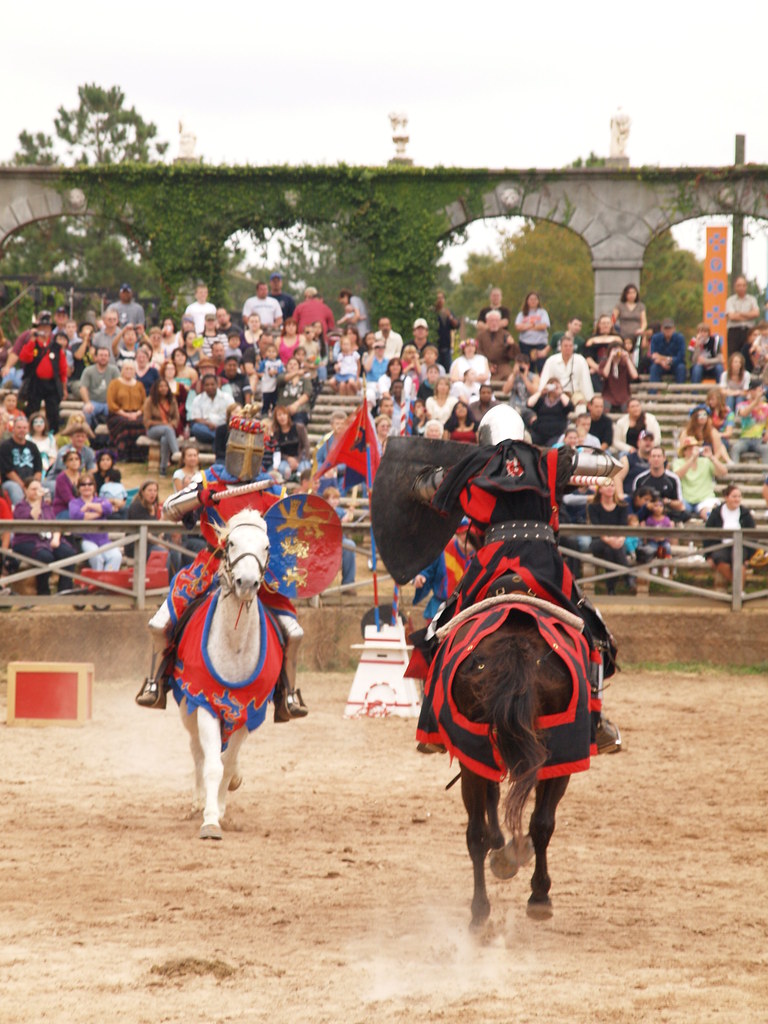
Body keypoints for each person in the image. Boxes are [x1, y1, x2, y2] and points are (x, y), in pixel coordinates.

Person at [408, 404, 622, 754]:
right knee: (592, 630)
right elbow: (608, 465)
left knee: (441, 628)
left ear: (484, 439)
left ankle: (432, 717)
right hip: (543, 564)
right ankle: (596, 722)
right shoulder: (546, 460)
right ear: (521, 432)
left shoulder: (470, 468)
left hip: (492, 563)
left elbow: (426, 488)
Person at [136, 415, 307, 722]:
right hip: (211, 564)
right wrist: (197, 498)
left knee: (293, 632)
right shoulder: (208, 479)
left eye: (254, 453)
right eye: (242, 451)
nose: (246, 459)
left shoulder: (271, 489)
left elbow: (288, 532)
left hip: (258, 571)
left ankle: (287, 693)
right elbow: (168, 510)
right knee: (160, 623)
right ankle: (156, 681)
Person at [12, 478, 77, 595]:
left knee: (68, 554)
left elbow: (55, 525)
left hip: (48, 540)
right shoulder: (20, 507)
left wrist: (56, 538)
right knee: (45, 557)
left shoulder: (47, 507)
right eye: (33, 489)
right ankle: (43, 592)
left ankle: (65, 591)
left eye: (39, 489)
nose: (37, 492)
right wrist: (38, 501)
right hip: (27, 541)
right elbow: (33, 517)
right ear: (25, 490)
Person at [704, 484, 757, 589]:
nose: (737, 499)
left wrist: (750, 556)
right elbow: (708, 533)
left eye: (739, 496)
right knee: (720, 559)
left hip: (741, 546)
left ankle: (738, 592)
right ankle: (736, 587)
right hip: (720, 545)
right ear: (726, 497)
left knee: (740, 560)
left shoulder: (745, 513)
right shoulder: (716, 513)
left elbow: (753, 536)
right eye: (734, 496)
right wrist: (708, 555)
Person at [587, 482, 636, 595]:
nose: (610, 488)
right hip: (598, 541)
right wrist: (610, 540)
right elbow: (597, 528)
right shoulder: (593, 507)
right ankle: (628, 576)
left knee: (611, 550)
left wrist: (620, 539)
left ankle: (611, 588)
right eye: (607, 485)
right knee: (612, 548)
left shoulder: (622, 506)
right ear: (600, 489)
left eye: (613, 485)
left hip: (617, 542)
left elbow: (623, 527)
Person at [19, 325, 68, 433]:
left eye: (47, 328)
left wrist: (64, 388)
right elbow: (24, 357)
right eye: (42, 328)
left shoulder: (56, 347)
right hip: (35, 382)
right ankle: (30, 432)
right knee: (32, 409)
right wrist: (32, 340)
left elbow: (63, 369)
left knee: (53, 411)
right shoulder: (33, 344)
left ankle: (52, 433)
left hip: (51, 383)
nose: (44, 331)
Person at [68, 473, 120, 571]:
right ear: (78, 488)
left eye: (90, 484)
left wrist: (88, 506)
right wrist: (100, 513)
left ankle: (107, 581)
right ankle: (98, 582)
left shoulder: (101, 500)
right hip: (85, 539)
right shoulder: (74, 502)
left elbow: (108, 509)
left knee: (116, 556)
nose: (87, 487)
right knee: (97, 557)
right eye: (83, 484)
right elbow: (77, 516)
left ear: (94, 487)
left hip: (104, 540)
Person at [672, 435, 727, 519]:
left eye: (695, 447)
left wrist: (711, 457)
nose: (693, 450)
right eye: (689, 448)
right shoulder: (678, 462)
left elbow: (723, 472)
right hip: (686, 499)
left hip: (705, 498)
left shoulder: (705, 461)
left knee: (709, 514)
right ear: (684, 451)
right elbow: (677, 476)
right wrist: (692, 459)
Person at [106, 360, 147, 461]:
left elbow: (144, 403)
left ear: (135, 371)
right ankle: (122, 453)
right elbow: (111, 403)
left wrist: (137, 413)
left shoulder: (139, 385)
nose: (129, 371)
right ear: (122, 370)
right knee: (126, 423)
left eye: (131, 369)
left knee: (142, 423)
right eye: (126, 369)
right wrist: (125, 414)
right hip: (118, 414)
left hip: (137, 414)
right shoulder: (114, 383)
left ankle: (138, 455)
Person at [538, 333, 593, 404]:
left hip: (575, 393)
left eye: (570, 346)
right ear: (560, 347)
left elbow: (585, 381)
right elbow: (545, 379)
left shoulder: (581, 360)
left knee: (581, 403)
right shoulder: (551, 360)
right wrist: (542, 392)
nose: (568, 348)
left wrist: (589, 400)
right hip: (556, 393)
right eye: (565, 346)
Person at [1, 415, 42, 507]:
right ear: (13, 429)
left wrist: (34, 484)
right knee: (15, 488)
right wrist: (24, 486)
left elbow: (38, 469)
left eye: (24, 428)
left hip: (31, 482)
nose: (22, 430)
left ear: (28, 430)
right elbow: (8, 472)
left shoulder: (32, 446)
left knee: (49, 486)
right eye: (19, 427)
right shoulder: (5, 446)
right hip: (11, 482)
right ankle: (22, 514)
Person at [143, 378, 180, 475]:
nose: (163, 388)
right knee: (167, 430)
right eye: (161, 386)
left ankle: (163, 469)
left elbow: (176, 418)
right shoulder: (150, 401)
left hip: (168, 430)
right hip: (153, 430)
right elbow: (147, 421)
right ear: (156, 388)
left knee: (164, 439)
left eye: (165, 386)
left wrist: (172, 423)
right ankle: (177, 454)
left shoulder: (172, 400)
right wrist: (164, 424)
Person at [188, 373, 235, 446]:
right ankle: (218, 438)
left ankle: (217, 438)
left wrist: (221, 427)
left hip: (223, 427)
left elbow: (233, 414)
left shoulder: (227, 397)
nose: (210, 387)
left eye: (212, 384)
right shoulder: (198, 399)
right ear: (203, 386)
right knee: (195, 428)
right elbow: (196, 418)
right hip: (207, 428)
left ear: (217, 384)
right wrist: (208, 424)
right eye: (207, 385)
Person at [79, 345, 119, 429]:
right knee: (87, 412)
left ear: (109, 358)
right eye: (101, 355)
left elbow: (119, 387)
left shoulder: (114, 370)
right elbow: (83, 388)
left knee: (118, 414)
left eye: (105, 356)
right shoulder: (88, 370)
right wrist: (87, 403)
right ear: (96, 357)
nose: (103, 358)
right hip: (94, 402)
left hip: (109, 402)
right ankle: (87, 438)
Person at [324, 485, 356, 587]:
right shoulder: (322, 511)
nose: (335, 501)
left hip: (340, 542)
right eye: (333, 498)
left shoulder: (340, 511)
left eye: (337, 498)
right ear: (326, 499)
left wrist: (350, 512)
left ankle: (348, 583)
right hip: (325, 543)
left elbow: (348, 518)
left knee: (350, 545)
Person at [731, 377, 768, 464]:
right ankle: (733, 473)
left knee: (766, 449)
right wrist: (756, 401)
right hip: (744, 439)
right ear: (751, 391)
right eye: (758, 390)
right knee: (735, 448)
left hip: (759, 439)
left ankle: (766, 475)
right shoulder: (742, 405)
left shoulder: (766, 407)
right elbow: (744, 413)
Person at [526, 378, 573, 446]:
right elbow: (529, 404)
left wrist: (560, 392)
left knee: (552, 445)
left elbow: (569, 406)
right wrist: (541, 392)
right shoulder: (542, 400)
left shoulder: (562, 401)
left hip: (556, 433)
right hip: (540, 432)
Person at [599, 337, 638, 411]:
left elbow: (635, 376)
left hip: (624, 396)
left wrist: (627, 359)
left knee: (628, 408)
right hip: (608, 395)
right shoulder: (604, 363)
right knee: (605, 407)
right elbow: (605, 374)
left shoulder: (625, 364)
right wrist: (610, 358)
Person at [476, 310, 518, 380]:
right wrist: (488, 365)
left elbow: (514, 354)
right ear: (487, 321)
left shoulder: (505, 334)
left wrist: (512, 345)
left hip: (503, 365)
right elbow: (478, 351)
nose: (494, 323)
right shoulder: (480, 335)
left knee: (510, 377)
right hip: (486, 365)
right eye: (492, 321)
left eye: (496, 321)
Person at [725, 275, 760, 355]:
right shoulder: (730, 300)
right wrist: (749, 314)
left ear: (746, 287)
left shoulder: (752, 299)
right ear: (735, 287)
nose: (741, 288)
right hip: (734, 332)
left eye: (744, 285)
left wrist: (740, 313)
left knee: (749, 355)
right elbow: (732, 316)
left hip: (749, 331)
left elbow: (756, 313)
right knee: (734, 355)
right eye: (739, 285)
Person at [514, 292, 550, 367]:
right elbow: (518, 327)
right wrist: (533, 325)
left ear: (538, 301)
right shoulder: (522, 314)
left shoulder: (542, 313)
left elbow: (543, 326)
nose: (533, 301)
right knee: (527, 366)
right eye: (531, 299)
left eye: (535, 299)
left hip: (540, 343)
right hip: (525, 343)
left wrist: (526, 326)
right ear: (527, 301)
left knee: (541, 366)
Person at [649, 319, 687, 386]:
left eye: (670, 328)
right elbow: (653, 356)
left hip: (675, 365)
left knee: (681, 367)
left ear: (674, 329)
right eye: (666, 328)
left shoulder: (680, 338)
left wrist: (662, 358)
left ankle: (679, 393)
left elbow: (681, 357)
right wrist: (661, 362)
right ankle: (653, 392)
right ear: (661, 329)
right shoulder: (655, 338)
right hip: (660, 365)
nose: (668, 330)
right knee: (654, 367)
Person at [52, 448, 82, 518]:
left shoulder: (82, 476)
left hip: (81, 508)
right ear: (66, 463)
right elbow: (68, 499)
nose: (74, 461)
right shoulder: (61, 478)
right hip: (63, 510)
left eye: (77, 459)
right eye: (71, 459)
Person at [26, 412, 58, 478]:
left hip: (47, 465)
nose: (39, 425)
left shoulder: (50, 438)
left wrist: (47, 465)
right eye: (36, 422)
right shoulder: (27, 438)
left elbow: (53, 455)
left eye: (41, 422)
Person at [434, 291, 459, 372]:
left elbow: (457, 325)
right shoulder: (431, 313)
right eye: (438, 298)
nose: (440, 300)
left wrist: (450, 317)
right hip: (435, 347)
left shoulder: (447, 312)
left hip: (446, 348)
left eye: (441, 298)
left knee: (448, 370)